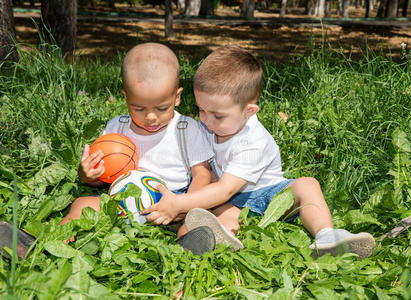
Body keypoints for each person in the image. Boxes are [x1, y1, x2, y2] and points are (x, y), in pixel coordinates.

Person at [143, 45, 376, 259]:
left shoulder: (254, 141)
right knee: (222, 214)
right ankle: (216, 236)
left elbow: (226, 188)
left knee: (308, 185)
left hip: (269, 194)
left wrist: (181, 202)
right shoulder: (204, 125)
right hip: (231, 200)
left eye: (217, 115)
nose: (205, 120)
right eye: (201, 109)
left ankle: (326, 236)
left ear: (249, 111)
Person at [59, 42, 216, 255]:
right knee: (81, 204)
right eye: (138, 108)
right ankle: (54, 245)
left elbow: (202, 174)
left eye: (162, 108)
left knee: (194, 221)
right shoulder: (117, 127)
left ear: (177, 97)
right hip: (122, 200)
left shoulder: (186, 128)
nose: (151, 117)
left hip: (169, 202)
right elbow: (101, 177)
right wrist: (87, 175)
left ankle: (184, 253)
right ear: (126, 97)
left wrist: (183, 204)